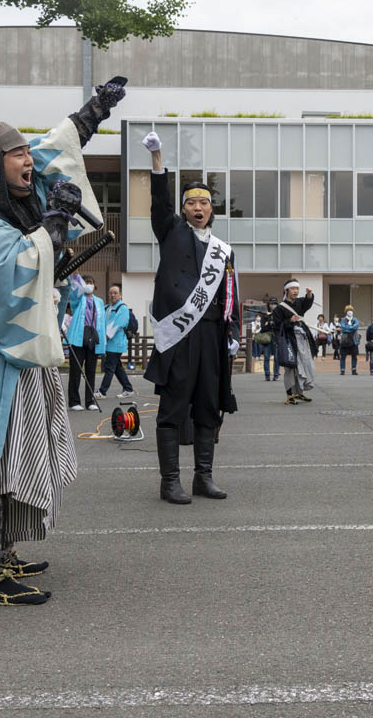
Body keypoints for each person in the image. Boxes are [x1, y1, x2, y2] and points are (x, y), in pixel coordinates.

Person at [0, 79, 123, 605]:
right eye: (16, 154)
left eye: (25, 152)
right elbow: (13, 273)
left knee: (24, 456)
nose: (28, 161)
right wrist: (56, 222)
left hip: (24, 357)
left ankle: (4, 551)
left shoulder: (20, 195)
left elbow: (55, 147)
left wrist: (92, 112)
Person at [141, 131, 239, 505]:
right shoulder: (170, 231)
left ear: (212, 209)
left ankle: (204, 477)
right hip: (179, 336)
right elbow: (159, 201)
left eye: (205, 201)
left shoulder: (223, 251)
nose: (198, 206)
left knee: (207, 404)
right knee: (174, 405)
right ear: (184, 209)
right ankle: (170, 482)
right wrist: (158, 160)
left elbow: (230, 295)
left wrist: (230, 330)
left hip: (212, 335)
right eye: (192, 202)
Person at [64, 274, 105, 410]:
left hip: (93, 338)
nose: (89, 284)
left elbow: (103, 323)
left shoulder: (99, 301)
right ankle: (74, 401)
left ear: (95, 285)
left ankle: (90, 401)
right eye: (86, 282)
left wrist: (103, 342)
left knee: (91, 370)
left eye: (91, 282)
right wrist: (75, 279)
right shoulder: (78, 299)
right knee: (75, 370)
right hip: (78, 338)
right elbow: (73, 289)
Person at [275, 280, 317, 404]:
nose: (296, 291)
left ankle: (299, 393)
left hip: (301, 340)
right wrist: (290, 321)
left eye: (297, 289)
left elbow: (307, 304)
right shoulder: (279, 308)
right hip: (288, 341)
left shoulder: (299, 302)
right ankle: (289, 395)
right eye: (293, 289)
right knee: (290, 367)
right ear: (286, 290)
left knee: (302, 365)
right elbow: (277, 326)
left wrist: (309, 295)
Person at [99, 283, 136, 398]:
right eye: (110, 293)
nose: (112, 295)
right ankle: (128, 389)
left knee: (109, 367)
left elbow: (117, 324)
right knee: (117, 367)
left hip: (116, 343)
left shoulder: (123, 308)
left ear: (120, 295)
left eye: (115, 293)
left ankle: (102, 391)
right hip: (109, 343)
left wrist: (104, 337)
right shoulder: (107, 307)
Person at [260, 297, 281, 381]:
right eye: (272, 304)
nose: (273, 305)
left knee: (277, 357)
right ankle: (267, 374)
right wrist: (268, 323)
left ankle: (276, 373)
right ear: (269, 305)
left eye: (275, 304)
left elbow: (280, 326)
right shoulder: (265, 314)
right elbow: (262, 328)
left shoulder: (279, 314)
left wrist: (274, 323)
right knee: (266, 356)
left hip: (276, 337)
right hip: (267, 338)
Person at [339, 307, 360, 375]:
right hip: (345, 340)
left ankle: (354, 370)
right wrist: (351, 327)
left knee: (354, 355)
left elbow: (356, 327)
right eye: (348, 310)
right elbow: (343, 328)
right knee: (343, 356)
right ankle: (342, 370)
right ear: (346, 312)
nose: (350, 311)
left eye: (351, 310)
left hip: (353, 340)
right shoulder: (343, 320)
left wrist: (348, 327)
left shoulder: (355, 319)